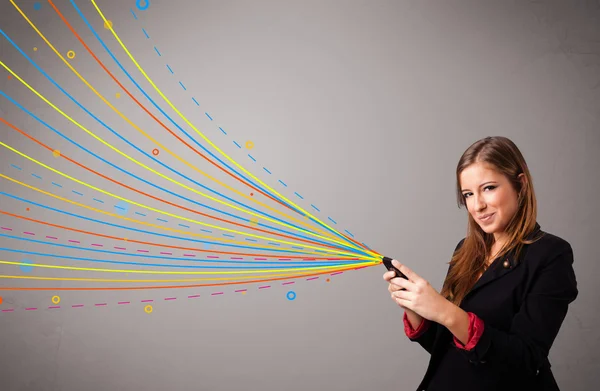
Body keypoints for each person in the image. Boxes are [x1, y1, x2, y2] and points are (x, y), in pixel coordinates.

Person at [383, 136, 578, 391]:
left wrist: (444, 310)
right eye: (468, 194)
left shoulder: (550, 254)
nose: (478, 205)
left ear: (520, 184)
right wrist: (416, 307)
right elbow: (446, 348)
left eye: (489, 188)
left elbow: (527, 359)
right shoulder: (465, 250)